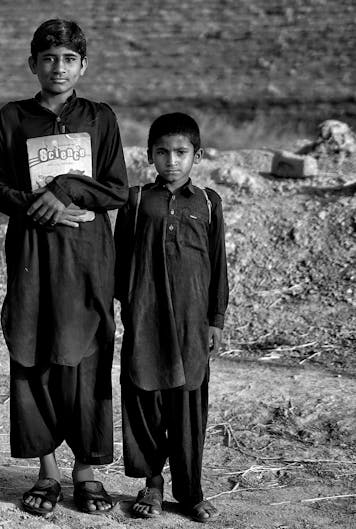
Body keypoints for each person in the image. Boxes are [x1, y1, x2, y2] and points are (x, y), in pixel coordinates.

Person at [0, 19, 128, 517]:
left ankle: (85, 472)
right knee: (32, 349)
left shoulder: (100, 118)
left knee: (87, 356)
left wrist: (63, 190)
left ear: (82, 66)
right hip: (33, 256)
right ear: (33, 65)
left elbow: (117, 189)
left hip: (87, 257)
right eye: (48, 58)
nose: (58, 67)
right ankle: (46, 472)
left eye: (68, 59)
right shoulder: (14, 117)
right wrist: (36, 204)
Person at [114, 112, 228, 523]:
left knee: (189, 407)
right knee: (145, 400)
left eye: (181, 153)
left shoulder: (209, 203)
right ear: (149, 156)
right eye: (162, 153)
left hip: (192, 325)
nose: (172, 161)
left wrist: (216, 319)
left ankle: (191, 491)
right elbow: (120, 261)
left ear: (197, 155)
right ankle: (152, 484)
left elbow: (218, 265)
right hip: (145, 318)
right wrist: (125, 306)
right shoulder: (137, 199)